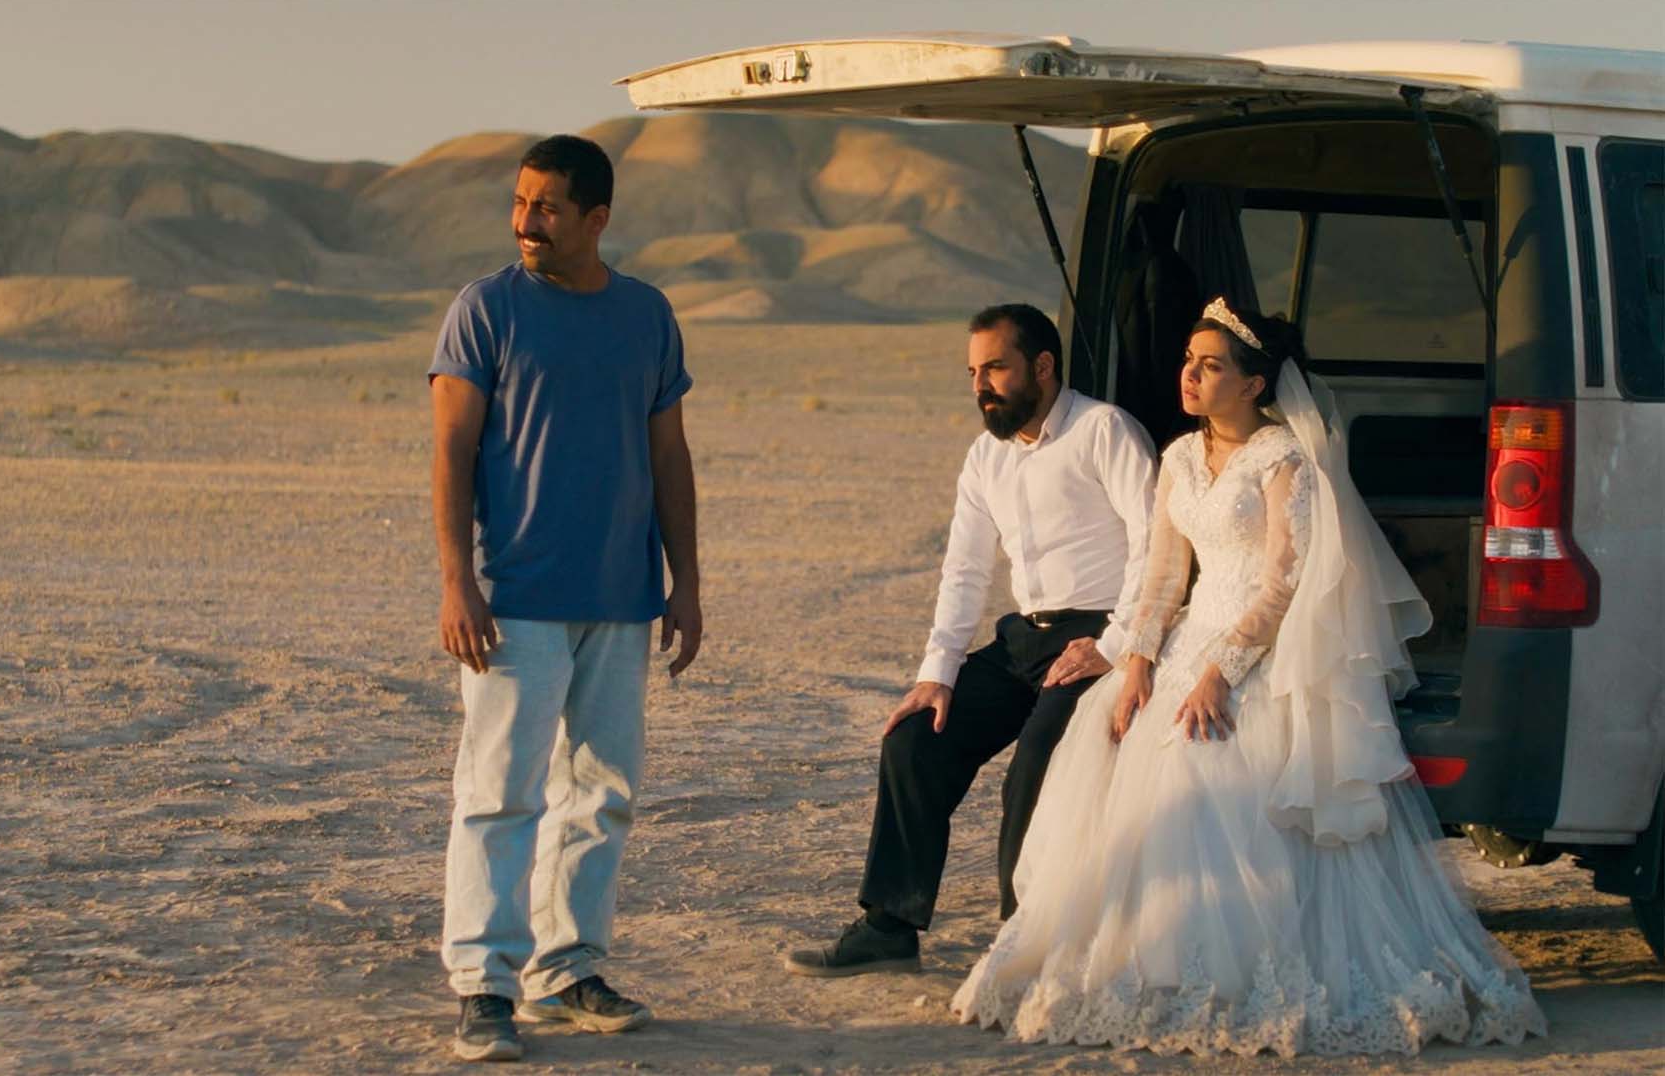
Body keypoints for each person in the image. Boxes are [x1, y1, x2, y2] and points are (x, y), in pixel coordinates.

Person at [951, 298, 1546, 1056]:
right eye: (1188, 362)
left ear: (1253, 383)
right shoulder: (1174, 458)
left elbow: (1280, 584)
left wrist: (1220, 674)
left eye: (1210, 365)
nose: (1190, 375)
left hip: (1259, 651)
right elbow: (1162, 577)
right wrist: (1135, 663)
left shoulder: (1282, 461)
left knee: (1215, 764)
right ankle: (1142, 955)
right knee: (1118, 746)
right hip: (1183, 639)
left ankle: (1238, 967)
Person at [429, 134, 701, 1063]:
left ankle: (566, 966)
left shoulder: (646, 316)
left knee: (601, 792)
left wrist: (686, 581)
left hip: (622, 597)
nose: (524, 222)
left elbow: (669, 454)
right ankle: (483, 984)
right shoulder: (485, 311)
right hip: (516, 596)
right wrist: (457, 580)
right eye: (518, 203)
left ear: (596, 220)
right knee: (499, 793)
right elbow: (450, 452)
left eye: (545, 207)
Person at [785, 304, 1158, 976]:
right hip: (1024, 641)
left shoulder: (1105, 430)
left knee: (1034, 767)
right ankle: (889, 927)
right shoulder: (986, 455)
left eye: (994, 368)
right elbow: (963, 570)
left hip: (1098, 636)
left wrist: (1115, 642)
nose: (979, 385)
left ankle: (1023, 943)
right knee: (913, 740)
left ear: (1042, 368)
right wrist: (938, 673)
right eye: (971, 372)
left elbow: (1153, 545)